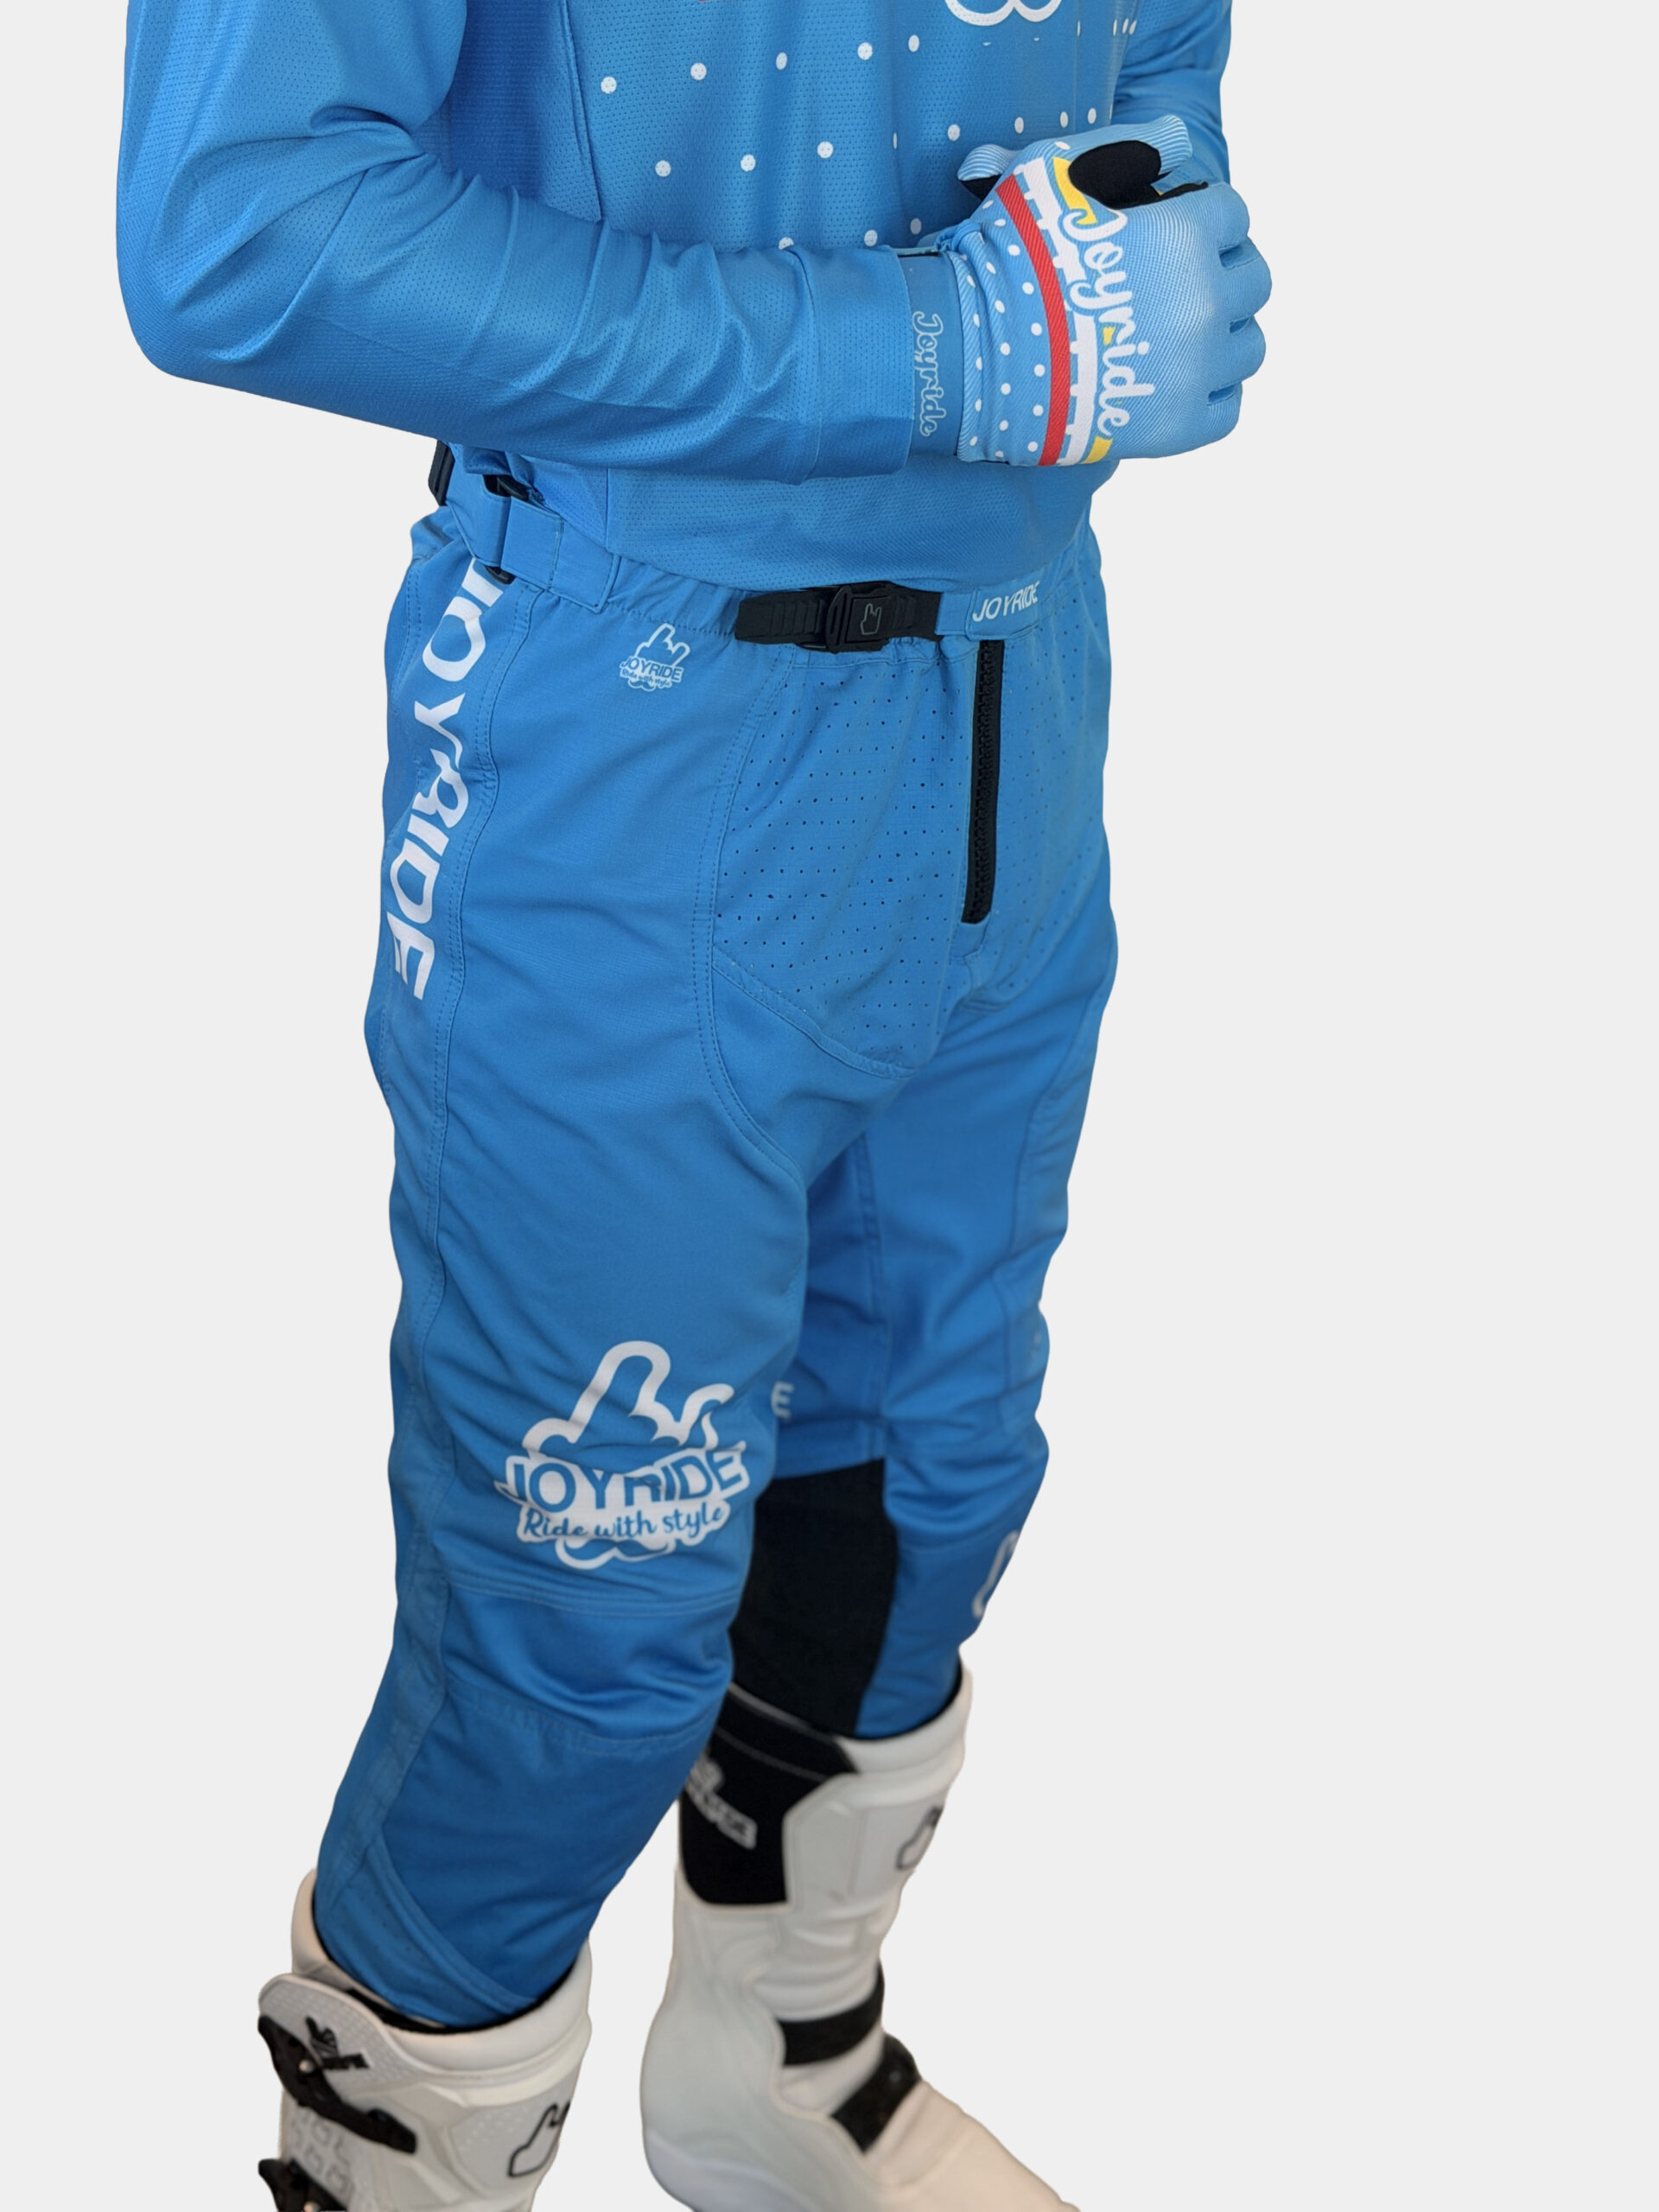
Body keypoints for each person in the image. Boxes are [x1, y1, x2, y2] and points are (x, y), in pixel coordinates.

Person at [118, 0, 1269, 2202]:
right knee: (585, 1601)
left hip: (1018, 683)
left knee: (931, 1470)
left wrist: (1148, 216)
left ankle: (777, 2065)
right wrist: (931, 350)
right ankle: (400, 2166)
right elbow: (235, 230)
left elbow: (1139, 58)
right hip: (633, 719)